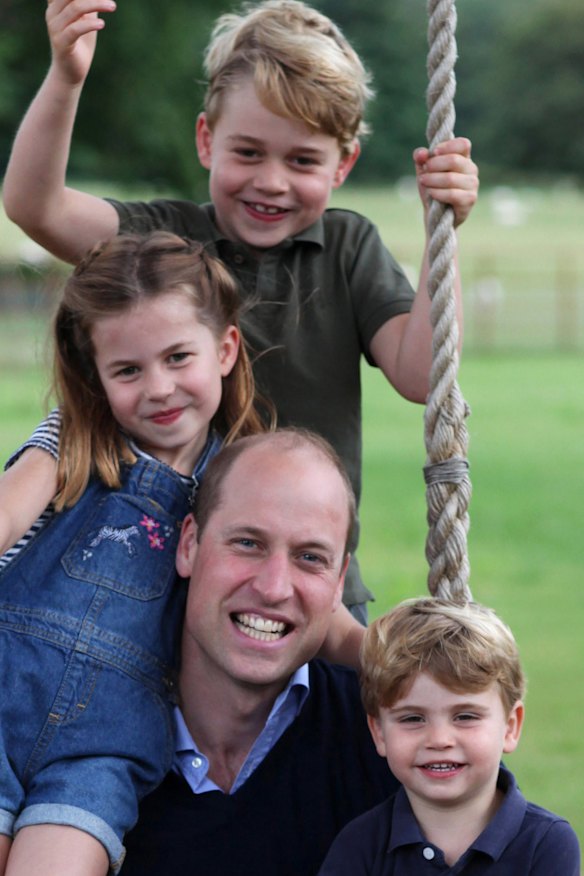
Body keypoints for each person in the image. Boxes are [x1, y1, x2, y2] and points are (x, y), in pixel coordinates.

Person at [2, 0, 480, 621]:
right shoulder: (165, 244)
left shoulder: (348, 248)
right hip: (164, 589)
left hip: (311, 588)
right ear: (207, 139)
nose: (272, 182)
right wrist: (66, 78)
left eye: (302, 160)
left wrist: (443, 230)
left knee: (348, 710)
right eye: (248, 152)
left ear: (344, 164)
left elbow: (421, 375)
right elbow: (36, 207)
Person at [0, 230, 266, 876]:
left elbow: (275, 585)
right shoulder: (73, 440)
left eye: (178, 357)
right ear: (97, 374)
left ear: (225, 348)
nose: (159, 388)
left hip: (102, 752)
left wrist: (373, 649)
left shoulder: (235, 481)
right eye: (128, 370)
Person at [116, 428, 400, 876]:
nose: (273, 588)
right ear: (189, 545)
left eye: (309, 557)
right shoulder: (87, 733)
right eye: (248, 543)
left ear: (339, 582)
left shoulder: (392, 741)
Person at [318, 598, 581, 875]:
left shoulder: (546, 844)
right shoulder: (360, 846)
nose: (439, 739)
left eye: (465, 717)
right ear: (379, 733)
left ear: (510, 727)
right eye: (413, 719)